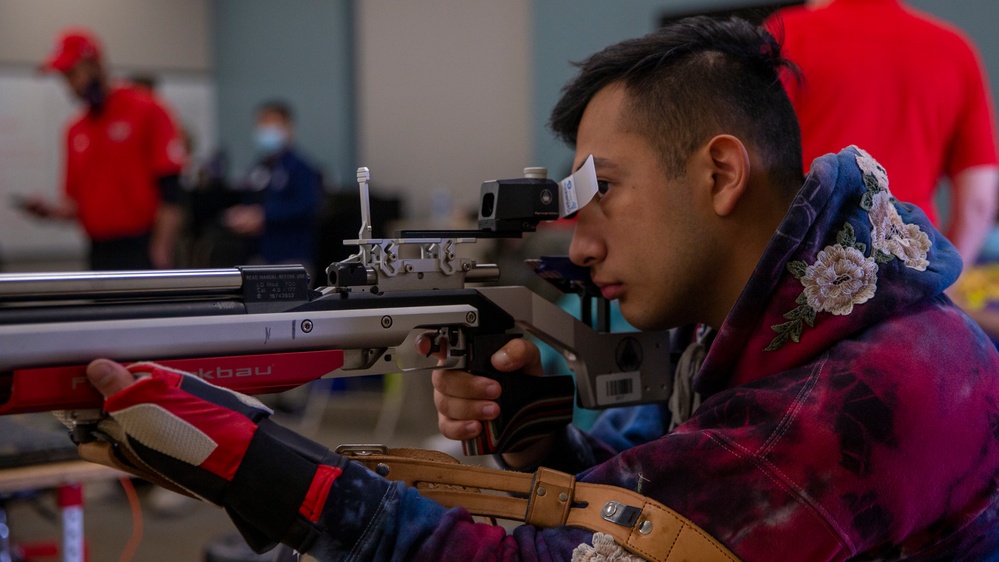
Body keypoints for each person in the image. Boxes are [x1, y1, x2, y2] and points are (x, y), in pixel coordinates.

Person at [75, 16, 999, 560]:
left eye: (605, 193)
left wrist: (273, 473)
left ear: (720, 175)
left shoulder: (866, 391)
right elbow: (653, 480)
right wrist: (546, 439)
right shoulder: (762, 323)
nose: (579, 241)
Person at [766, 0, 999, 268]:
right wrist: (943, 286)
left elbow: (750, 169)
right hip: (911, 269)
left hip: (808, 272)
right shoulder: (954, 51)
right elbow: (978, 202)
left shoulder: (785, 35)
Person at [22, 28, 186, 270]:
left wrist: (160, 250)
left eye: (71, 74)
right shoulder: (75, 130)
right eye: (63, 78)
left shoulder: (147, 110)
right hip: (98, 252)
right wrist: (49, 211)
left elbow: (172, 191)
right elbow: (76, 204)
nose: (69, 86)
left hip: (143, 249)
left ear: (94, 64)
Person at [223, 101, 321, 276]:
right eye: (262, 123)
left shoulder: (300, 168)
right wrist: (242, 214)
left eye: (272, 124)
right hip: (258, 257)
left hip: (290, 258)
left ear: (288, 128)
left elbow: (307, 206)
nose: (266, 129)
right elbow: (251, 198)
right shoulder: (260, 167)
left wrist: (264, 216)